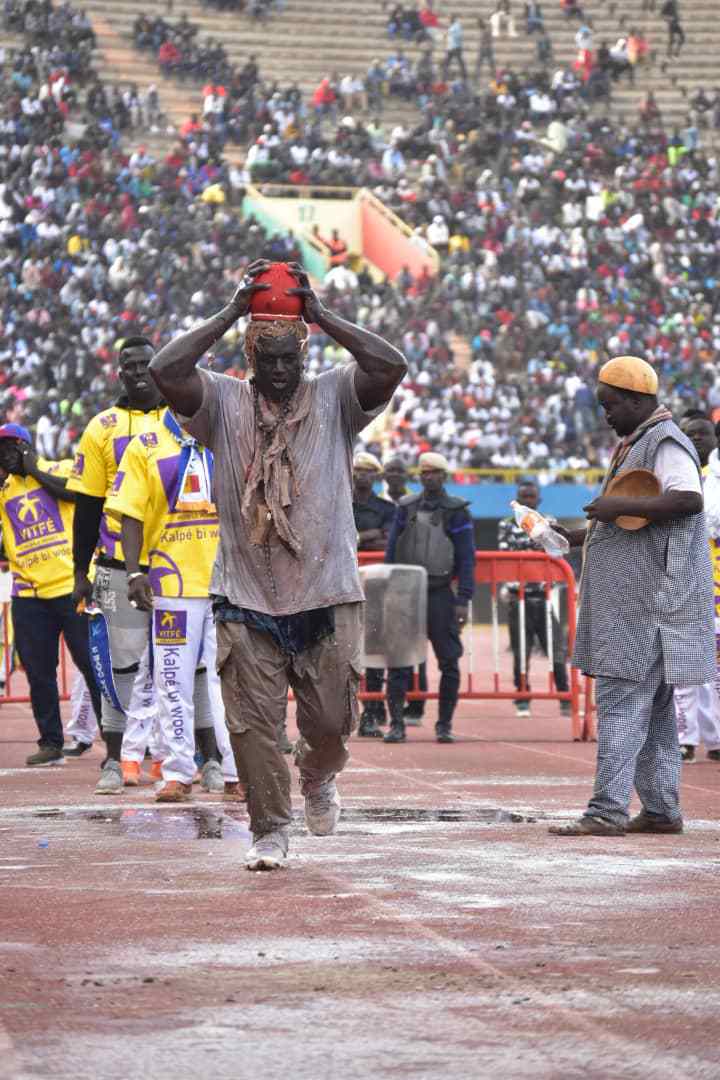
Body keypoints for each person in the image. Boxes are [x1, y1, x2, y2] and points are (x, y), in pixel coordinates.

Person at [148, 259, 406, 870]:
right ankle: (270, 829)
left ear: (306, 353)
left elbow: (389, 366)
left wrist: (320, 314)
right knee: (253, 727)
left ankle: (317, 776)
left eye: (291, 360)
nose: (281, 372)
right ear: (250, 357)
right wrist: (234, 310)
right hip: (244, 597)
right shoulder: (221, 401)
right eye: (269, 361)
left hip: (327, 592)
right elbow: (165, 370)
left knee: (332, 722)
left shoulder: (336, 396)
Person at [549, 356, 714, 837]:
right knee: (658, 715)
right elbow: (628, 525)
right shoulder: (637, 442)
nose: (606, 415)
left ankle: (606, 811)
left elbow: (688, 500)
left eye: (612, 405)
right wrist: (575, 536)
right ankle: (662, 811)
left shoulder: (664, 441)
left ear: (639, 400)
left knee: (621, 704)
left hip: (646, 610)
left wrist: (616, 503)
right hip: (643, 607)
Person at [105, 410, 243, 801]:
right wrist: (135, 573)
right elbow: (129, 514)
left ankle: (237, 772)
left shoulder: (226, 435)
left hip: (228, 583)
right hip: (171, 582)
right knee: (172, 681)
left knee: (231, 682)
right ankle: (179, 772)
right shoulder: (145, 447)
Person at [69, 337, 166, 795]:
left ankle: (183, 757)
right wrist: (78, 574)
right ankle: (114, 757)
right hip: (113, 568)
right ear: (119, 372)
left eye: (146, 363)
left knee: (182, 666)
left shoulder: (183, 419)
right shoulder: (101, 427)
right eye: (129, 364)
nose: (139, 370)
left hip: (176, 565)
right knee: (118, 666)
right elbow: (86, 508)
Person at [0, 424, 102, 766]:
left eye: (9, 449)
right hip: (28, 595)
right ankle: (50, 742)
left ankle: (115, 744)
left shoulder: (58, 467)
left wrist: (35, 471)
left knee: (91, 665)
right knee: (38, 670)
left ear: (26, 447)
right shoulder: (4, 490)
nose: (4, 457)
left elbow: (76, 494)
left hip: (71, 589)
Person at [383, 451, 474, 744]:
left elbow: (466, 557)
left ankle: (444, 724)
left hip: (440, 594)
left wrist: (463, 599)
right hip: (406, 592)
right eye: (423, 473)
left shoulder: (457, 510)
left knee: (448, 661)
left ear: (443, 476)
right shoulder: (405, 507)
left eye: (433, 472)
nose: (428, 477)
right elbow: (391, 551)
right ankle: (396, 724)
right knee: (399, 662)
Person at [497, 479, 570, 717]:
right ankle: (522, 698)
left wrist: (536, 542)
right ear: (518, 501)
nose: (528, 501)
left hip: (545, 595)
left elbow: (555, 551)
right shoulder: (507, 524)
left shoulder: (548, 522)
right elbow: (507, 554)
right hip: (518, 598)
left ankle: (565, 698)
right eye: (523, 497)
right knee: (521, 652)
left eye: (531, 497)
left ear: (538, 500)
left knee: (556, 650)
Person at [673, 416, 720, 763]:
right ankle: (684, 738)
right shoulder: (675, 473)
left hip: (717, 579)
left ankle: (716, 738)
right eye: (689, 435)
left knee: (716, 665)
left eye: (701, 434)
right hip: (684, 579)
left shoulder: (715, 479)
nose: (696, 440)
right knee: (686, 663)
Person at [352, 450, 397, 737]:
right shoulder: (338, 502)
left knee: (376, 652)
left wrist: (355, 537)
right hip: (344, 584)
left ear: (375, 475)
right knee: (342, 652)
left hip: (377, 584)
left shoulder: (387, 509)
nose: (362, 476)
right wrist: (370, 536)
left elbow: (388, 538)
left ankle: (371, 714)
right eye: (358, 470)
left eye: (368, 471)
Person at [383, 455, 428, 723]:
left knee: (417, 646)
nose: (396, 475)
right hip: (382, 580)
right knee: (384, 646)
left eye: (400, 470)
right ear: (384, 475)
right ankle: (379, 708)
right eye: (391, 470)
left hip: (412, 580)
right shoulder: (376, 502)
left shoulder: (415, 504)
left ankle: (417, 703)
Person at [443, 15, 467, 82]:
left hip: (456, 47)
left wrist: (450, 33)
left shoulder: (457, 26)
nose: (448, 21)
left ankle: (464, 76)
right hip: (450, 48)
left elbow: (459, 36)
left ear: (451, 19)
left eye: (448, 19)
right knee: (447, 63)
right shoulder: (451, 26)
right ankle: (444, 76)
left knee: (460, 62)